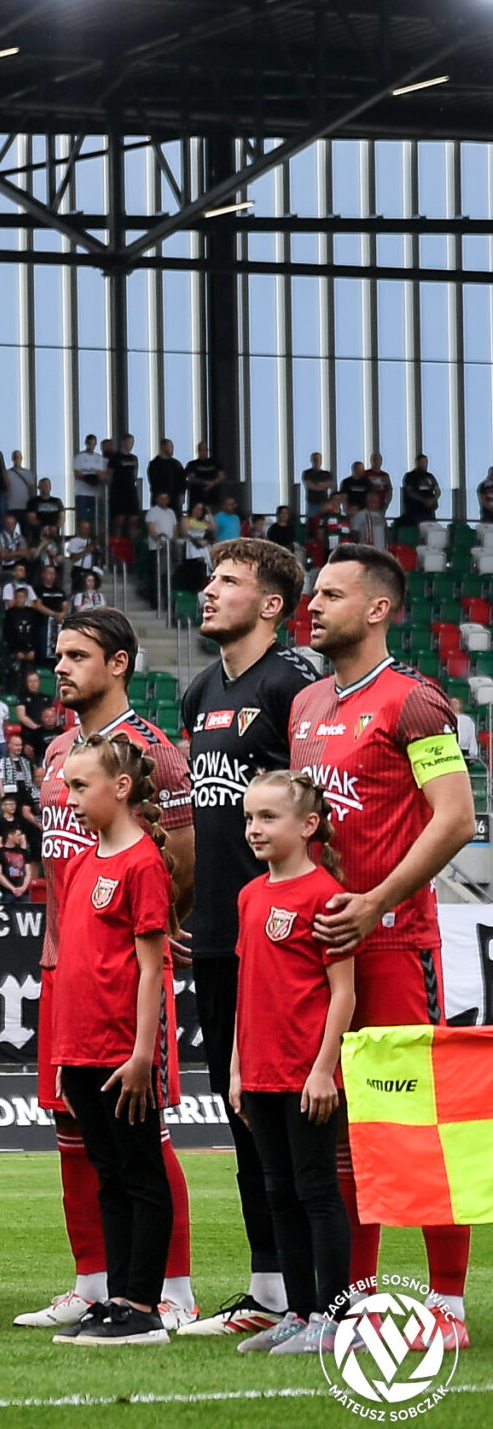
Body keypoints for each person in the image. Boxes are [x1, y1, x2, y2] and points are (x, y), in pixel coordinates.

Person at [292, 544, 476, 1340]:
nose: (313, 604)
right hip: (325, 951)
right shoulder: (305, 706)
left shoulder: (415, 702)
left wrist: (375, 903)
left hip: (397, 944)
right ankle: (353, 1298)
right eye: (313, 592)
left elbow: (457, 817)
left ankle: (447, 1305)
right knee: (340, 1130)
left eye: (331, 594)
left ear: (378, 609)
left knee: (416, 1124)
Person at [24, 609, 198, 1331]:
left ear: (119, 663)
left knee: (142, 1135)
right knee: (74, 1128)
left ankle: (172, 1289)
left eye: (76, 655)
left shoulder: (156, 752)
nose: (60, 667)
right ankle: (93, 1283)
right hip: (64, 964)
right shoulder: (56, 751)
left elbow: (181, 867)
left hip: (125, 970)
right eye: (58, 655)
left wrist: (129, 937)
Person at [176, 539, 323, 1339]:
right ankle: (269, 1288)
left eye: (228, 580)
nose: (209, 590)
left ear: (271, 604)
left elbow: (316, 810)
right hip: (217, 935)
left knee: (295, 1124)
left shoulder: (293, 682)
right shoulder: (200, 690)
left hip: (283, 938)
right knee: (242, 1117)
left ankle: (320, 1292)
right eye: (210, 577)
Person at [43, 733, 178, 1347]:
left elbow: (152, 968)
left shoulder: (142, 863)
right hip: (80, 1051)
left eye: (80, 786)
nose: (69, 798)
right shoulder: (80, 864)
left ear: (121, 788)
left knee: (140, 1172)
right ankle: (117, 1299)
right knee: (109, 1175)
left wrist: (143, 1054)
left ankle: (143, 1305)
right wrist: (63, 1054)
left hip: (122, 1052)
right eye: (67, 786)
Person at [229, 771, 359, 1357]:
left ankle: (335, 1319)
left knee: (316, 1190)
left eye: (268, 817)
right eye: (249, 817)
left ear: (308, 825)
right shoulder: (249, 895)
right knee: (278, 1191)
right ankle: (299, 1311)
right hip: (259, 1074)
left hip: (306, 1076)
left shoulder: (325, 896)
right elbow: (246, 988)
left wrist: (324, 1069)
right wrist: (237, 1069)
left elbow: (343, 993)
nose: (254, 829)